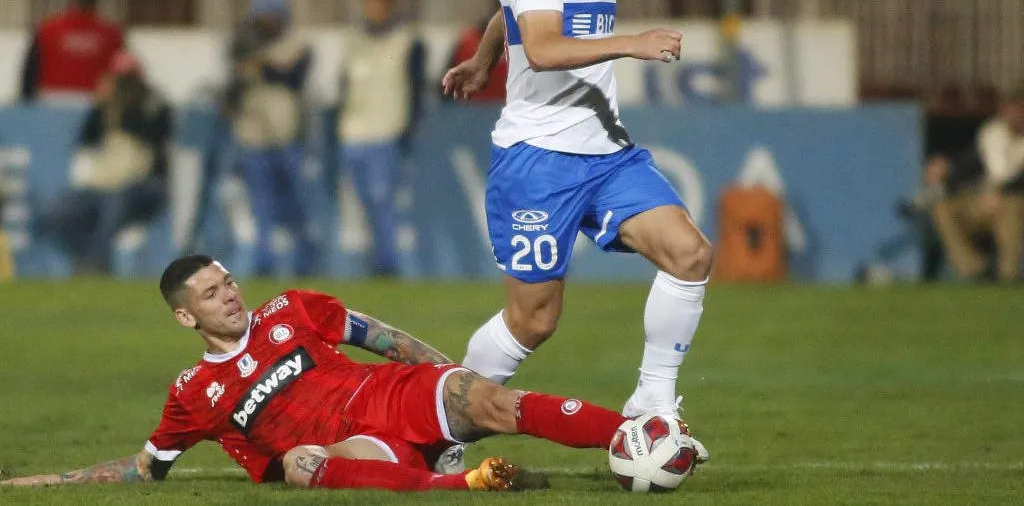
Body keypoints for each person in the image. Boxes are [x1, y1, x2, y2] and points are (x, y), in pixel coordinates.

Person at [0, 255, 704, 492]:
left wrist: (449, 373)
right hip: (354, 449)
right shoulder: (193, 395)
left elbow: (381, 337)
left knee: (489, 397)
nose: (231, 293)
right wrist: (40, 482)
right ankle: (467, 486)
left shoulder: (289, 309)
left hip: (386, 394)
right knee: (303, 462)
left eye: (228, 280)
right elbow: (145, 469)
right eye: (212, 293)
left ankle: (640, 431)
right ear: (187, 318)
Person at [442, 0, 713, 433]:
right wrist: (631, 42)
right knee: (534, 320)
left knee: (690, 254)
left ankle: (652, 403)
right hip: (537, 160)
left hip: (606, 154)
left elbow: (510, 14)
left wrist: (486, 59)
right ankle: (446, 420)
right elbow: (539, 47)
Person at [36, 52, 171, 273]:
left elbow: (155, 140)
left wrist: (127, 111)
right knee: (57, 214)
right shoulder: (104, 110)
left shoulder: (154, 108)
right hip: (105, 184)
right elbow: (87, 138)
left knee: (113, 208)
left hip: (145, 185)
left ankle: (96, 266)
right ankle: (86, 256)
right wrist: (103, 106)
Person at [337, 0, 426, 277]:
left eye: (379, 2)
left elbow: (415, 88)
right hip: (353, 132)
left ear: (390, 4)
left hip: (386, 131)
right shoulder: (355, 40)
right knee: (363, 203)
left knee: (383, 200)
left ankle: (386, 264)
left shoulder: (407, 40)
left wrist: (407, 128)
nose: (373, 8)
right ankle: (375, 259)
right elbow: (345, 84)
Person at [226, 0, 317, 277]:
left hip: (287, 134)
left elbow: (292, 78)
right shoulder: (244, 46)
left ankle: (305, 260)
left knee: (295, 204)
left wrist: (261, 66)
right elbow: (234, 89)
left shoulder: (296, 45)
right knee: (260, 204)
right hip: (253, 136)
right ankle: (263, 262)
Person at [926, 88, 1024, 284]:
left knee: (1012, 207)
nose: (1015, 115)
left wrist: (1000, 193)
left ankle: (1008, 275)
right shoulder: (992, 133)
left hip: (1013, 202)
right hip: (984, 202)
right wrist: (947, 168)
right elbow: (969, 163)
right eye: (1011, 109)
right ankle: (973, 269)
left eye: (1019, 110)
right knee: (943, 209)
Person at [20, 0, 124, 102]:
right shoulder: (111, 34)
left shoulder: (48, 30)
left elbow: (30, 70)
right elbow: (124, 71)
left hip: (51, 100)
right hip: (94, 101)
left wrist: (26, 101)